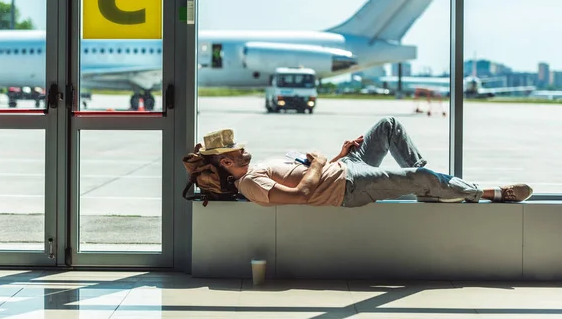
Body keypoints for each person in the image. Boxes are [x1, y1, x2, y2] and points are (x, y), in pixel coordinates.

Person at [184, 117, 533, 207]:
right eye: (236, 150)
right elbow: (304, 195)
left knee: (388, 126)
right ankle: (486, 192)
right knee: (420, 174)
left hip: (345, 168)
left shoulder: (255, 168)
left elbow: (306, 175)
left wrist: (337, 154)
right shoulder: (250, 183)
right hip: (348, 186)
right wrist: (322, 161)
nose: (243, 149)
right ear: (227, 163)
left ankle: (430, 188)